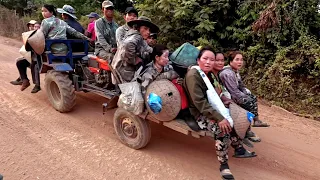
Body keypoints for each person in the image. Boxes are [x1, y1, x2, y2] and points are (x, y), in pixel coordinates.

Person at [183, 46, 256, 180]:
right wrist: (219, 118)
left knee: (235, 115)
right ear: (198, 60)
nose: (208, 62)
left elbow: (216, 93)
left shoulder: (209, 74)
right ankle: (223, 165)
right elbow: (200, 103)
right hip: (200, 112)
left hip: (212, 108)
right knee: (222, 128)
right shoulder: (194, 75)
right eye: (205, 59)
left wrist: (226, 100)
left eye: (212, 59)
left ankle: (238, 148)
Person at [219, 51, 270, 127]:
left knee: (252, 97)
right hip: (228, 96)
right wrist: (245, 97)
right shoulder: (228, 73)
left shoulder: (235, 71)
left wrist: (246, 93)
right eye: (237, 59)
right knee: (248, 102)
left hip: (234, 94)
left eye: (241, 60)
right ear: (231, 61)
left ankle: (256, 121)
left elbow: (241, 86)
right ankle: (246, 127)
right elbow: (234, 92)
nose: (240, 62)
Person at [111, 16, 159, 83]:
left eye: (149, 30)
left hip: (124, 70)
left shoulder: (139, 37)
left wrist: (158, 52)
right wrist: (133, 60)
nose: (148, 32)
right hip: (123, 72)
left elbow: (147, 48)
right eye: (145, 29)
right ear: (138, 28)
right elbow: (128, 44)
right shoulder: (135, 37)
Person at [10, 20, 42, 93]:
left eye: (33, 26)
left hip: (38, 58)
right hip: (32, 56)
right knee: (20, 62)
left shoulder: (41, 35)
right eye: (31, 26)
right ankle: (23, 80)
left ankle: (37, 85)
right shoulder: (30, 35)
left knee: (34, 64)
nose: (31, 27)